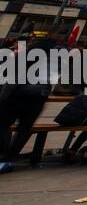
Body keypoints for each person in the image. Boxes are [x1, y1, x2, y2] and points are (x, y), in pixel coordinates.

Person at [0, 40, 54, 174]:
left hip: (17, 96)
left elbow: (11, 79)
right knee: (23, 130)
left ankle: (2, 152)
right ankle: (8, 159)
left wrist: (3, 97)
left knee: (3, 124)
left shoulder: (23, 58)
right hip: (37, 100)